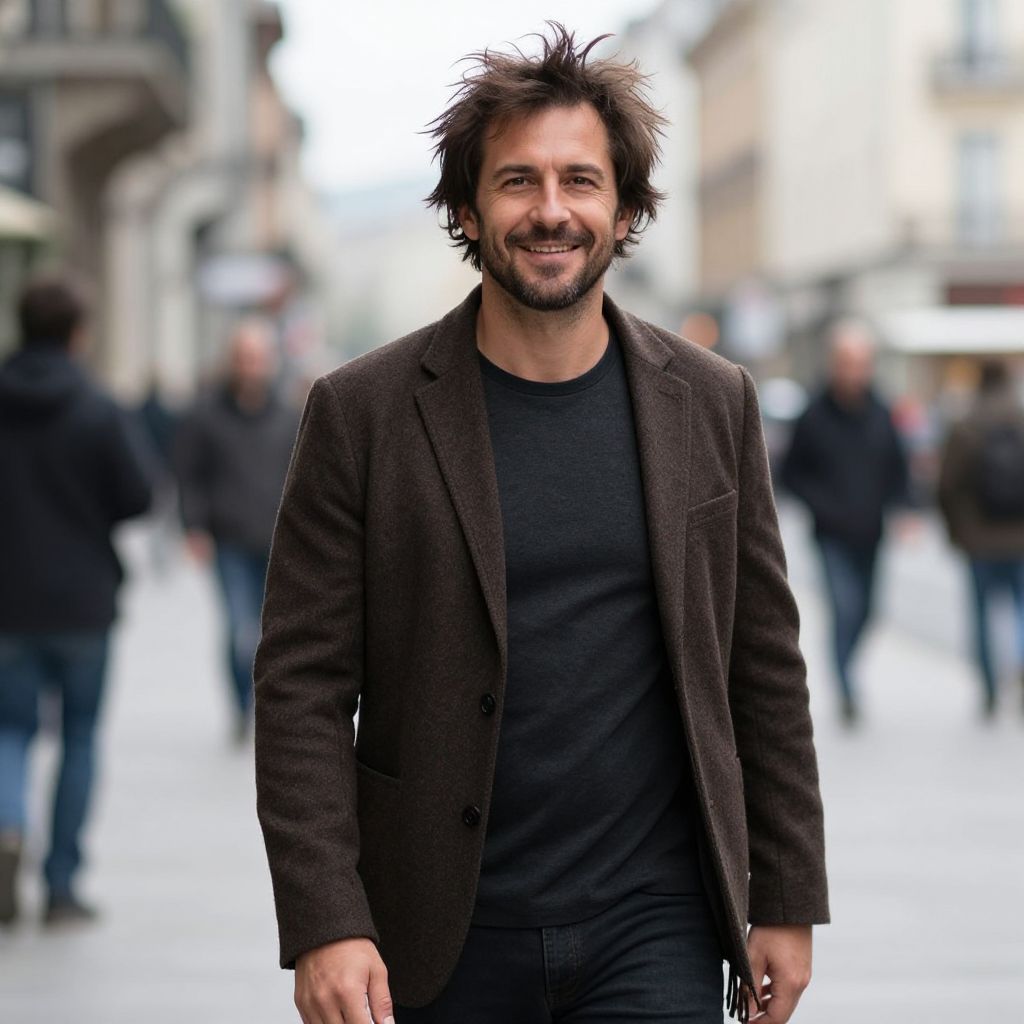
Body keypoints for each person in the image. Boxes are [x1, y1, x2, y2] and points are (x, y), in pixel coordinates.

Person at [255, 26, 828, 1024]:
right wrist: (323, 917)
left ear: (626, 208)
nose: (551, 210)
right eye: (518, 181)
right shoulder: (363, 411)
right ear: (468, 210)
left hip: (654, 922)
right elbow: (300, 685)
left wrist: (785, 894)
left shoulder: (711, 401)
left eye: (580, 180)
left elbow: (761, 663)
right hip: (435, 929)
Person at [0, 273, 152, 926]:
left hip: (7, 601)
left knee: (9, 730)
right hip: (84, 603)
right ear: (78, 334)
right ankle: (61, 884)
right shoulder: (96, 407)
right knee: (81, 738)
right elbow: (140, 495)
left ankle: (7, 828)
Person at [174, 319, 299, 743]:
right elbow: (188, 476)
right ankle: (241, 704)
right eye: (244, 358)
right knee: (237, 629)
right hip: (227, 539)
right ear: (232, 362)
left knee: (269, 632)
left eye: (258, 358)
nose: (251, 367)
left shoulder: (290, 417)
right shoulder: (206, 415)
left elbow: (306, 480)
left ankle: (261, 704)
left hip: (277, 541)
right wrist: (193, 527)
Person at [781, 320, 910, 725]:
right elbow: (790, 474)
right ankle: (847, 687)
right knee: (844, 607)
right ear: (834, 364)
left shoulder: (881, 412)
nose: (855, 371)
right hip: (831, 533)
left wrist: (904, 507)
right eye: (847, 362)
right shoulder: (813, 415)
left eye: (861, 363)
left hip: (871, 530)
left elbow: (898, 467)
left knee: (868, 611)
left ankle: (848, 668)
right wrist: (822, 505)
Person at [937, 359, 1024, 718]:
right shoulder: (1020, 419)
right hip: (1020, 538)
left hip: (979, 539)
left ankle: (989, 689)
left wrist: (956, 532)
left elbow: (947, 486)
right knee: (1021, 613)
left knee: (982, 616)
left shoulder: (966, 424)